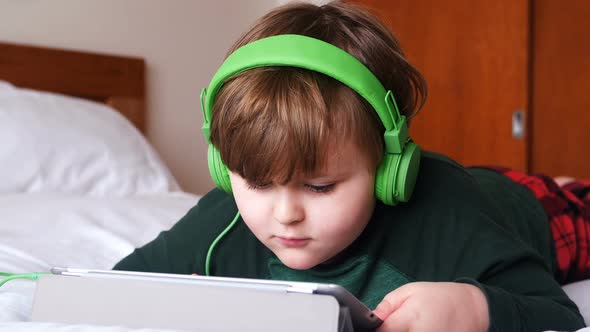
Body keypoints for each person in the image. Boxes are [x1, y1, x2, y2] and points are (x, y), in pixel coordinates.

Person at [114, 1, 588, 331]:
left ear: (389, 172)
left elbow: (558, 317)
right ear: (224, 169)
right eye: (257, 182)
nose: (284, 215)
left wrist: (477, 308)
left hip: (525, 209)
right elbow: (118, 286)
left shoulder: (447, 213)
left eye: (320, 186)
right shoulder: (223, 220)